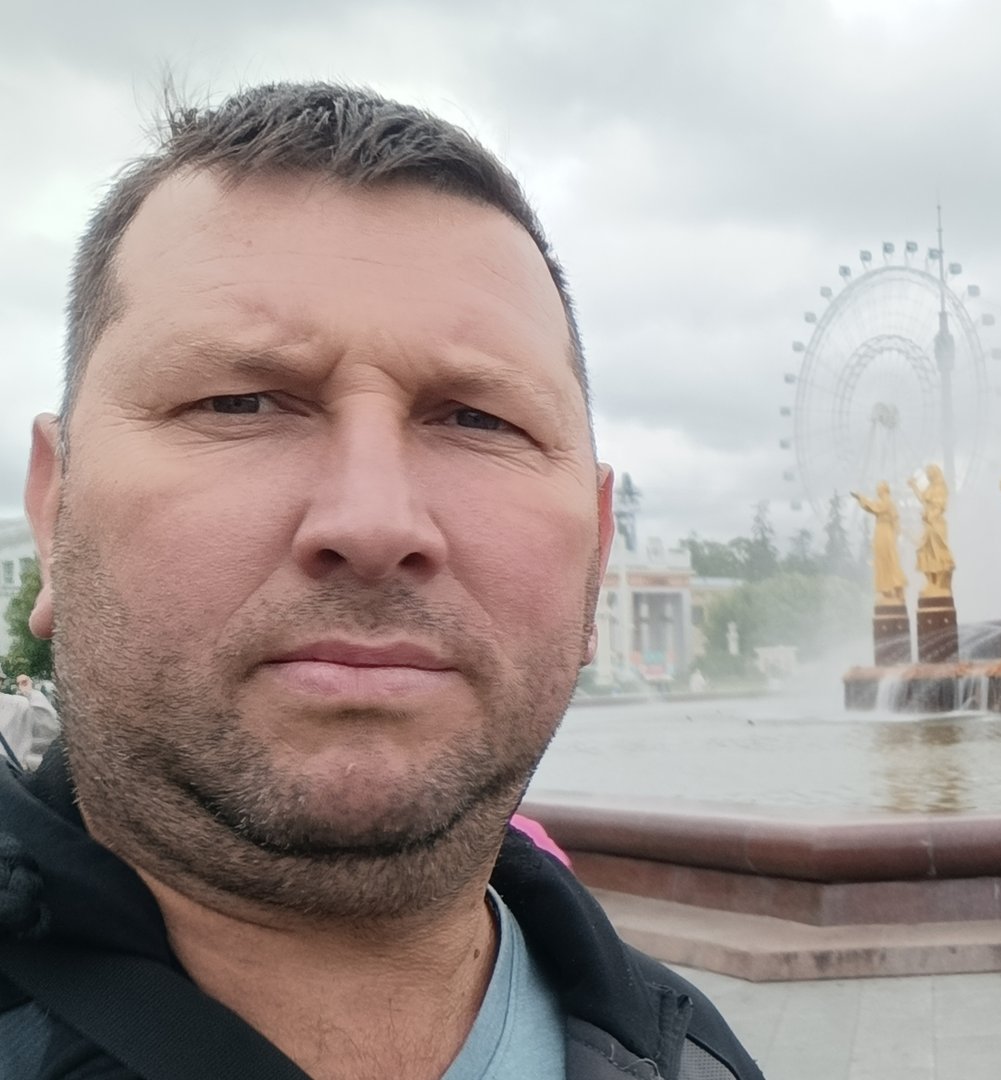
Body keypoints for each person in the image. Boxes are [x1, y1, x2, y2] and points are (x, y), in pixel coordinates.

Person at [0, 83, 762, 1080]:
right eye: (241, 402)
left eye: (479, 419)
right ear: (54, 509)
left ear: (598, 548)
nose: (372, 524)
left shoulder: (699, 1059)